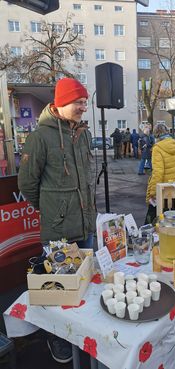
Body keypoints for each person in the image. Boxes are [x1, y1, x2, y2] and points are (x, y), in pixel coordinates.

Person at [18, 77, 96, 364]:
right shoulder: (40, 138)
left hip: (86, 224)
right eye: (78, 102)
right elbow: (27, 183)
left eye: (85, 102)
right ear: (61, 103)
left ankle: (81, 335)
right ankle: (57, 337)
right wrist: (52, 210)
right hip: (60, 230)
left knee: (84, 286)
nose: (83, 108)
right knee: (58, 292)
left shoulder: (84, 134)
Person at [145, 122, 175, 224]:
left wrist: (153, 193)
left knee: (157, 220)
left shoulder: (157, 148)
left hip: (163, 189)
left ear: (156, 134)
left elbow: (158, 172)